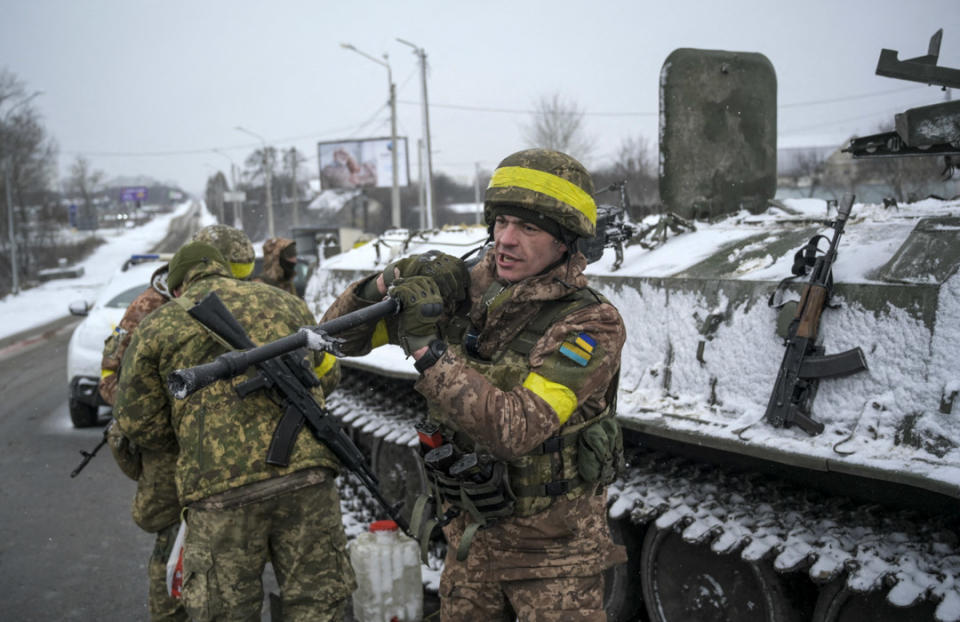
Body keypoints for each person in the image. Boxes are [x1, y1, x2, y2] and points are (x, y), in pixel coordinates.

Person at [320, 148, 627, 620]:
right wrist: (390, 281)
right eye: (502, 221)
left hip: (552, 565)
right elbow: (336, 338)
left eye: (528, 228)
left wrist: (427, 350)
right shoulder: (462, 292)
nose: (506, 240)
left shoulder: (589, 323)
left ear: (565, 243)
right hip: (470, 548)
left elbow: (516, 429)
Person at [113, 241, 351, 621]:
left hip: (220, 492)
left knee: (225, 612)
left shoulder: (157, 325)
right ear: (224, 270)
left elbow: (138, 421)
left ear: (177, 287)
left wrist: (195, 433)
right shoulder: (287, 303)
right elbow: (327, 375)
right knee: (318, 605)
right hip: (307, 477)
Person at [99, 224, 278, 622]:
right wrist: (170, 424)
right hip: (171, 447)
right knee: (172, 536)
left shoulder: (238, 296)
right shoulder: (151, 307)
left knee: (230, 552)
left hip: (224, 445)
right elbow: (112, 381)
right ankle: (170, 610)